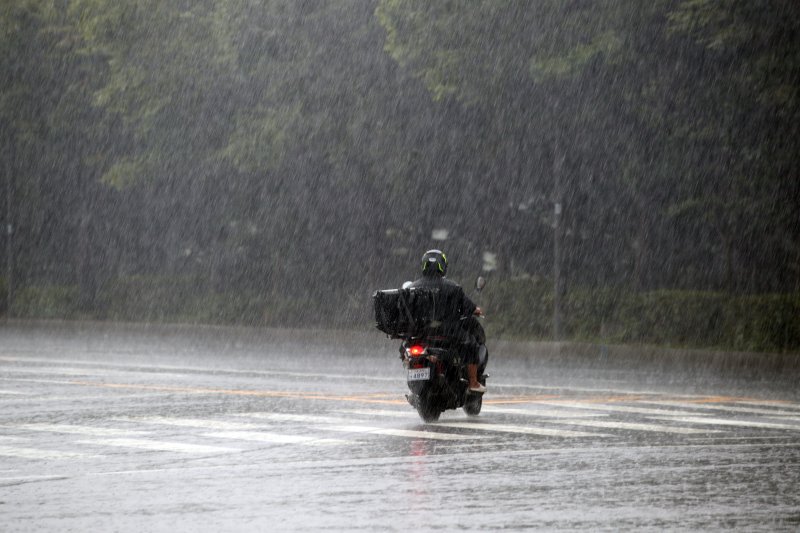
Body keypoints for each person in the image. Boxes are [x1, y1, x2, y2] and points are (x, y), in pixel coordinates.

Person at [409, 249, 486, 393]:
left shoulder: (412, 287)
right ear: (442, 266)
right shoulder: (452, 287)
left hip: (421, 332)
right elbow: (468, 307)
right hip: (448, 332)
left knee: (407, 349)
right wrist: (476, 309)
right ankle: (473, 382)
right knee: (471, 344)